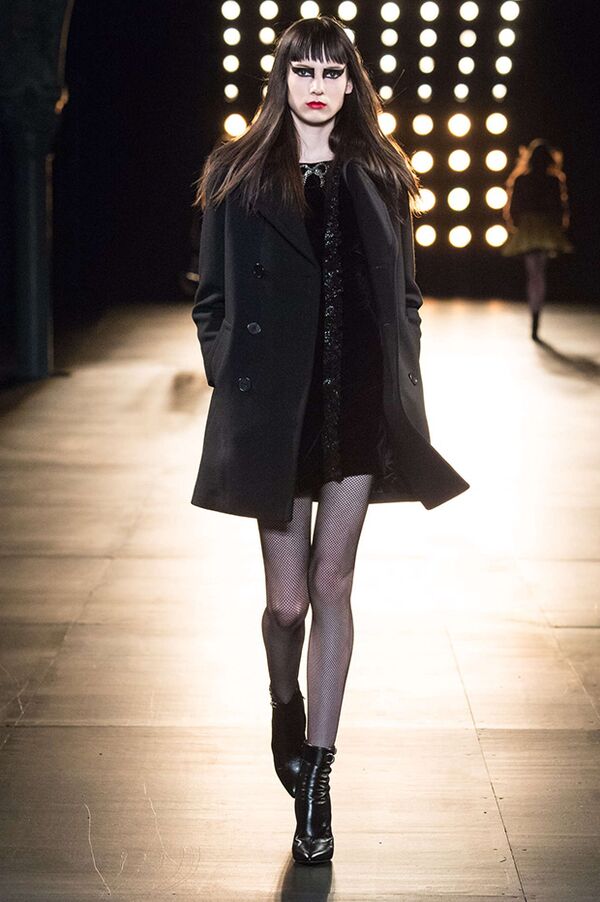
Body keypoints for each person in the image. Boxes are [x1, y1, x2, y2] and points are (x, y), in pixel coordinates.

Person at [189, 15, 469, 865]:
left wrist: (401, 372)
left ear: (352, 83)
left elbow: (406, 294)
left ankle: (318, 777)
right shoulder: (237, 173)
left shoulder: (383, 174)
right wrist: (230, 375)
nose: (317, 86)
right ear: (281, 80)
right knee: (287, 604)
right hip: (277, 411)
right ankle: (285, 702)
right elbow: (211, 300)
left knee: (332, 582)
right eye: (303, 71)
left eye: (332, 71)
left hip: (356, 406)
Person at [501, 138, 573, 341]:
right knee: (538, 274)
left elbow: (513, 208)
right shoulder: (553, 180)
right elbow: (560, 208)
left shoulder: (522, 179)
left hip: (530, 228)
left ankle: (535, 313)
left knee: (534, 274)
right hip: (544, 228)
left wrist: (515, 224)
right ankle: (535, 313)